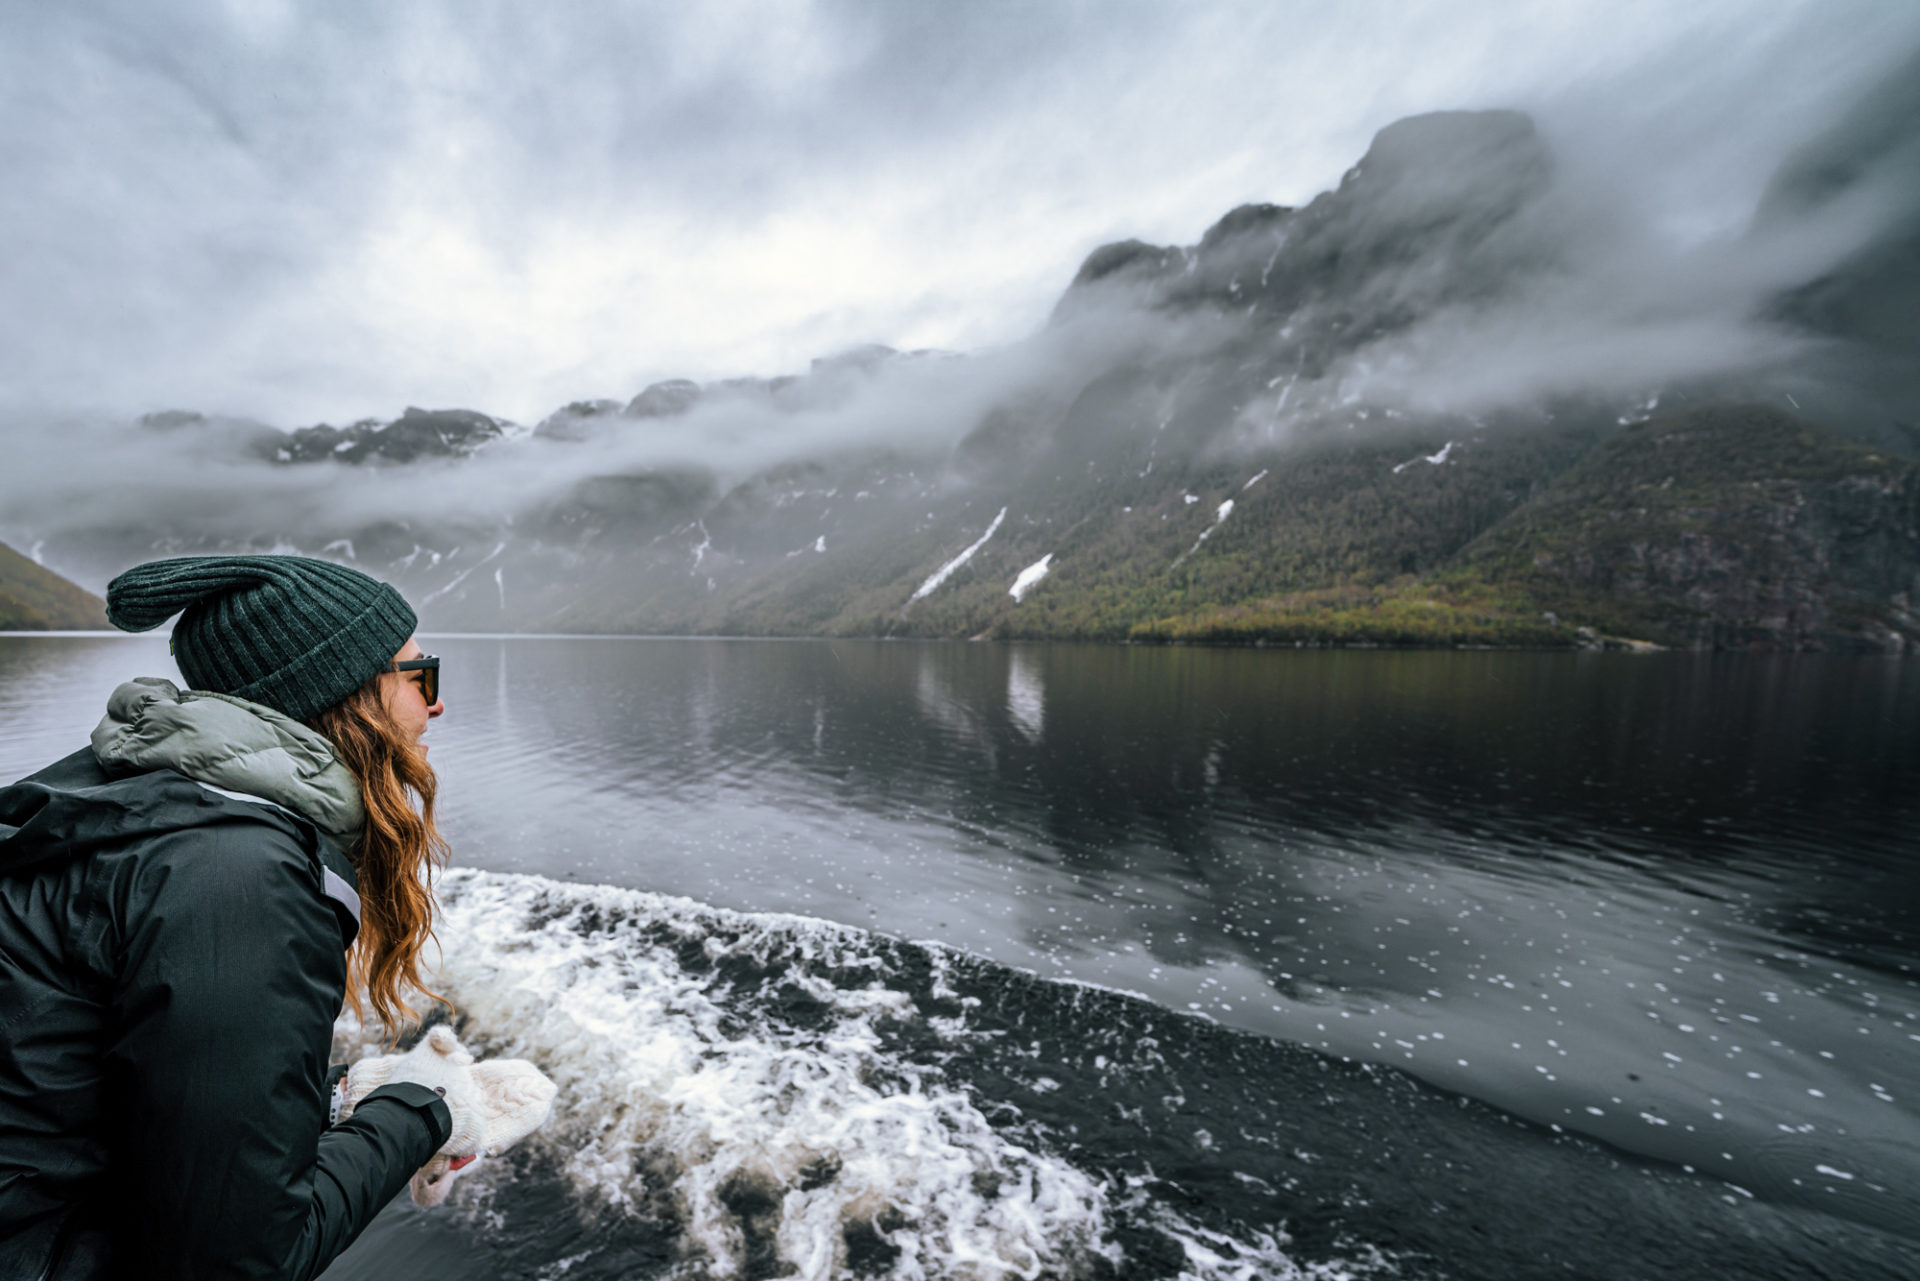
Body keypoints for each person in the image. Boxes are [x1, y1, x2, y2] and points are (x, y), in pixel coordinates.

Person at [0, 555, 496, 1278]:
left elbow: (104, 1080)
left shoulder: (131, 802)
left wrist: (335, 1099)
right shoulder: (240, 881)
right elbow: (244, 1258)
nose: (438, 704)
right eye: (422, 677)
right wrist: (425, 1111)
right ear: (342, 694)